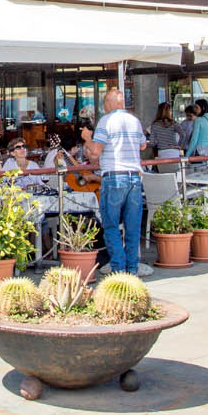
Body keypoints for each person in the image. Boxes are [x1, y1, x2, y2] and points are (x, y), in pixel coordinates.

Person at [85, 88, 148, 277]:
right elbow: (143, 145)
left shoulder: (106, 121)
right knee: (133, 226)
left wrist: (87, 139)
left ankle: (119, 269)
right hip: (134, 177)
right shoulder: (134, 121)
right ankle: (132, 268)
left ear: (110, 103)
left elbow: (96, 151)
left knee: (111, 225)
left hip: (113, 176)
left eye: (104, 102)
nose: (104, 106)